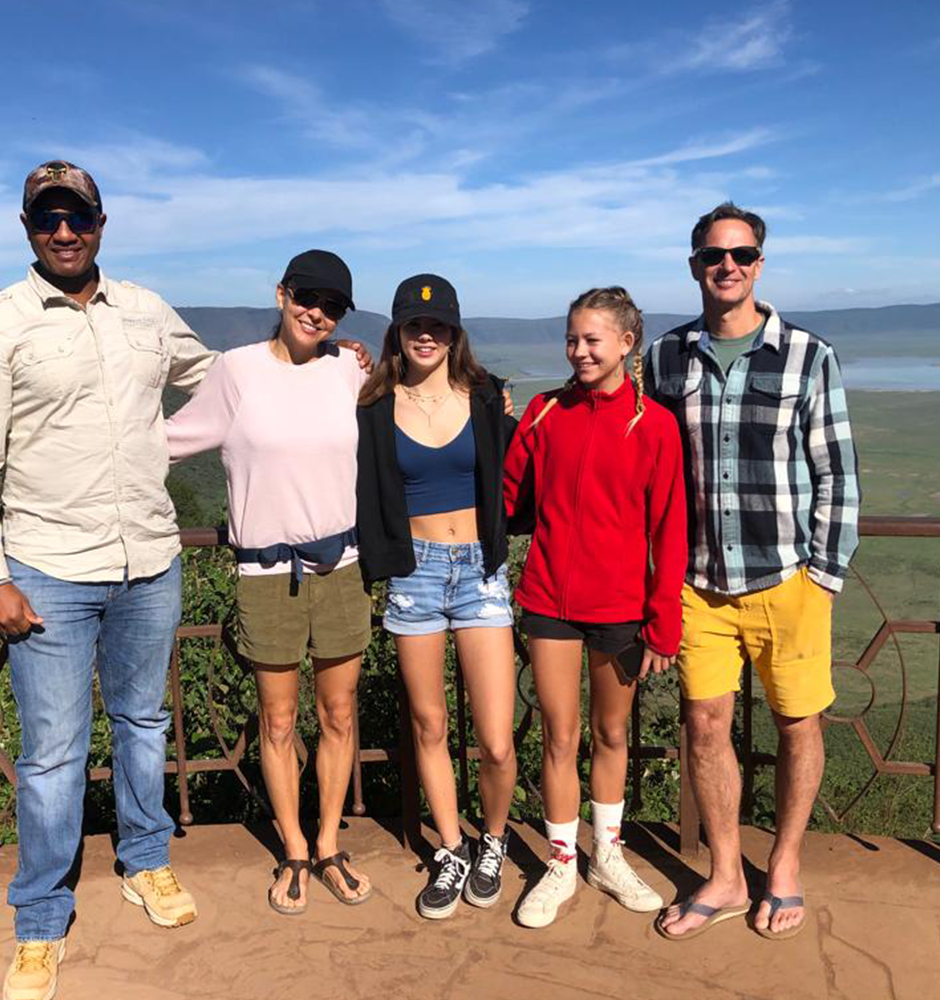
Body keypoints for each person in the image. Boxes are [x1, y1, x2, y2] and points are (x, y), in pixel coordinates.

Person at [0, 161, 212, 1000]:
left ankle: (146, 861)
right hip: (47, 569)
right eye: (47, 218)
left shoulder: (145, 310)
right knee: (53, 756)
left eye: (77, 217)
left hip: (149, 561)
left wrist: (326, 364)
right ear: (27, 228)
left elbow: (218, 377)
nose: (64, 231)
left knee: (142, 724)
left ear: (101, 222)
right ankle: (40, 920)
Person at [648, 203, 860, 941]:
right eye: (713, 255)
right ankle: (728, 874)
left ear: (759, 263)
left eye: (740, 254)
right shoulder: (666, 356)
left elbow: (836, 472)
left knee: (798, 724)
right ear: (695, 265)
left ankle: (789, 864)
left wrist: (823, 575)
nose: (727, 265)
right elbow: (641, 452)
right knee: (704, 727)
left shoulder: (808, 354)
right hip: (701, 583)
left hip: (787, 580)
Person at [165, 249, 374, 916]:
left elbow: (410, 413)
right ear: (281, 294)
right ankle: (293, 851)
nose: (317, 312)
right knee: (279, 720)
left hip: (342, 567)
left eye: (332, 304)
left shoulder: (349, 370)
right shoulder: (236, 371)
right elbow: (166, 440)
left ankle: (327, 844)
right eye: (307, 296)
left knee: (339, 715)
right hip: (263, 573)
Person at [504, 286, 687, 928]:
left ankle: (606, 854)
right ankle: (561, 864)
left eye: (592, 340)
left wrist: (664, 622)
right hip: (549, 599)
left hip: (620, 607)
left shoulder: (655, 425)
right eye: (572, 340)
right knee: (559, 735)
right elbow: (507, 495)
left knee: (612, 733)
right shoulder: (544, 411)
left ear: (626, 344)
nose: (579, 351)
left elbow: (670, 530)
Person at [357, 274, 518, 919]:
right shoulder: (373, 406)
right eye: (414, 325)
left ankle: (495, 840)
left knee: (497, 739)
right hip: (413, 573)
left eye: (439, 325)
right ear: (397, 330)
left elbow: (517, 478)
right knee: (429, 725)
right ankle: (451, 849)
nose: (427, 335)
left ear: (456, 332)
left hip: (480, 572)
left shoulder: (486, 399)